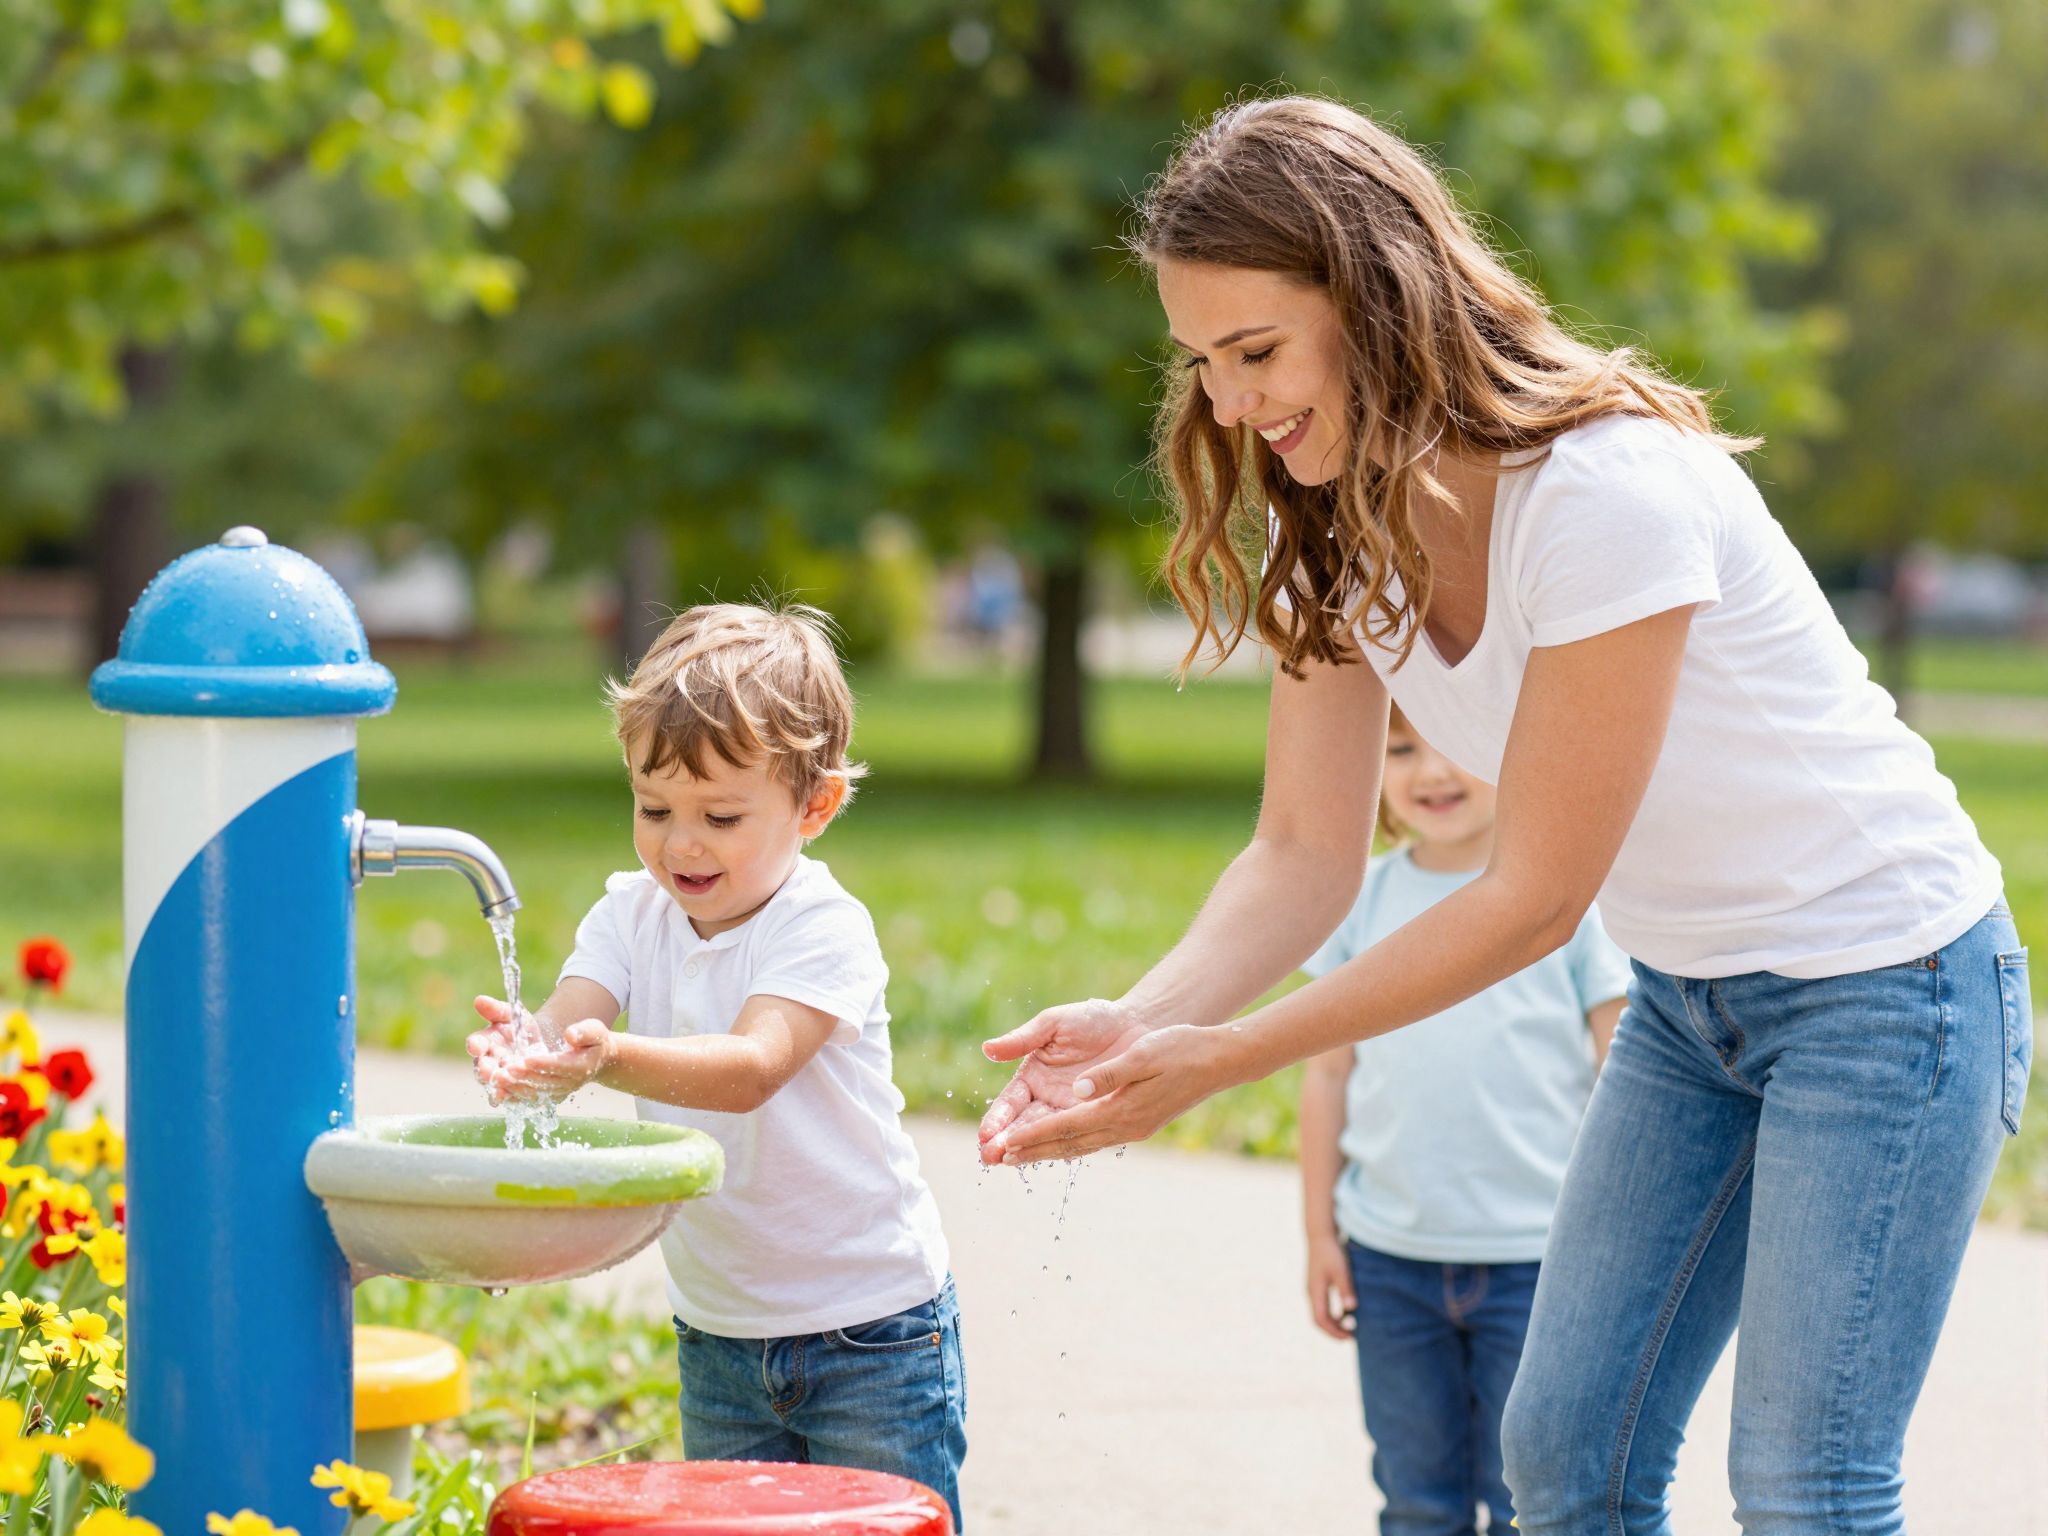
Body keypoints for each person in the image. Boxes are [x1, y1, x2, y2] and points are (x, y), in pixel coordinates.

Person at [976, 96, 2031, 1534]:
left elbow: (1531, 895)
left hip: (1891, 990)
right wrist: (1144, 1028)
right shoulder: (1339, 511)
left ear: (1377, 295)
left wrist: (1221, 1060)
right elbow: (1302, 854)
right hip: (1692, 1003)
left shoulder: (1603, 491)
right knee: (1564, 1453)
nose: (1229, 406)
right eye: (1203, 364)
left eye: (1258, 352)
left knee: (1806, 1484)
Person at [470, 602, 966, 1527]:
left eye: (721, 815)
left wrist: (605, 1059)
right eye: (653, 808)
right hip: (720, 1332)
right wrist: (526, 1052)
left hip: (871, 1331)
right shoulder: (628, 915)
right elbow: (566, 1019)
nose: (680, 843)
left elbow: (752, 1065)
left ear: (815, 807)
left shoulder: (822, 928)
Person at [1302, 702, 1627, 1536]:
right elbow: (1327, 1073)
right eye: (1402, 749)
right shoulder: (1359, 903)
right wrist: (1319, 1235)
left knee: (1530, 1498)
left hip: (1538, 1263)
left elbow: (1623, 1075)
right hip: (1391, 1260)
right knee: (1417, 1499)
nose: (1432, 772)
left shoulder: (1569, 904)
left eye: (1459, 744)